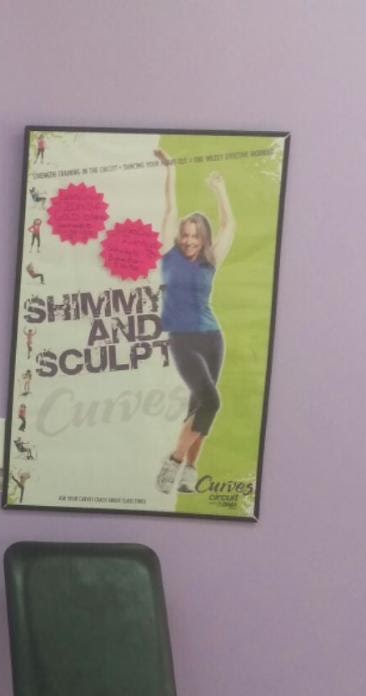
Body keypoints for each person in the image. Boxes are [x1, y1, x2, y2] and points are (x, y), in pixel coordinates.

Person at [152, 149, 236, 494]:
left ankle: (189, 468)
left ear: (203, 239)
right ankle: (174, 461)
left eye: (195, 236)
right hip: (182, 339)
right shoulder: (168, 255)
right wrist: (171, 169)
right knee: (211, 400)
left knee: (199, 404)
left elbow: (229, 226)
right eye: (185, 234)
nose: (188, 240)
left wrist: (220, 191)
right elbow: (170, 209)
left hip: (212, 338)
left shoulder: (210, 260)